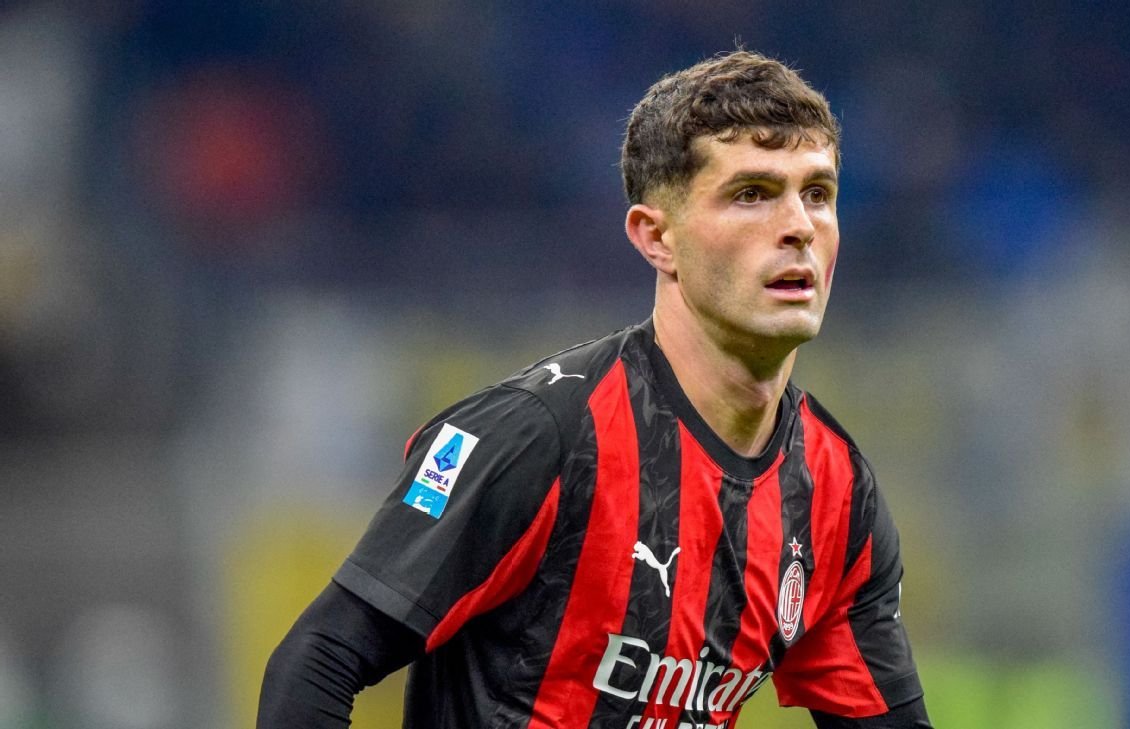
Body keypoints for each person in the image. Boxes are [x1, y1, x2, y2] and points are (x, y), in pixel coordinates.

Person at [258, 50, 932, 729]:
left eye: (817, 193)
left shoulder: (836, 494)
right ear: (656, 238)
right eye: (751, 193)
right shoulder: (541, 435)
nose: (799, 227)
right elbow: (316, 661)